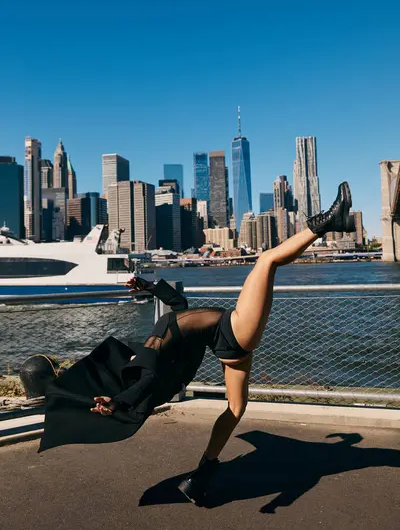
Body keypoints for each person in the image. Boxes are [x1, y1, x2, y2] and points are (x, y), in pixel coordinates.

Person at [89, 181, 355, 506]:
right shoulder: (160, 342)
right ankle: (328, 221)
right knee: (267, 260)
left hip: (232, 347)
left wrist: (148, 285)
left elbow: (179, 303)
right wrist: (119, 402)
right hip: (235, 328)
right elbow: (148, 378)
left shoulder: (170, 327)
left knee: (236, 408)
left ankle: (200, 476)